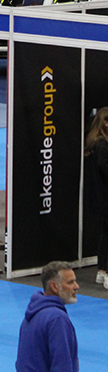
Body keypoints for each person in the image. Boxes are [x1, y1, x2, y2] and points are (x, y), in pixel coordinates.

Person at [15, 261, 80, 372]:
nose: (77, 286)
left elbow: (21, 365)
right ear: (54, 286)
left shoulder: (30, 316)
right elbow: (62, 371)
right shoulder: (58, 320)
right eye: (71, 282)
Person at [85, 108, 108, 290]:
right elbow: (105, 168)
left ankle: (102, 270)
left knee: (105, 234)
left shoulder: (95, 143)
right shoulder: (102, 145)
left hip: (100, 196)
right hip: (105, 196)